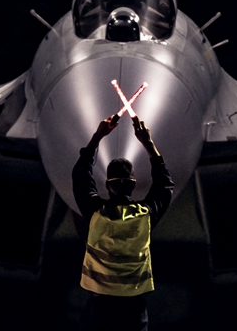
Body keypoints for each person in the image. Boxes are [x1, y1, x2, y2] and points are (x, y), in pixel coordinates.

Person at [72, 114, 174, 331]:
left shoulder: (96, 214)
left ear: (108, 186)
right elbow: (165, 186)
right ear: (133, 184)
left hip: (99, 307)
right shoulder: (144, 215)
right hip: (133, 307)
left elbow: (81, 176)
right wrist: (149, 144)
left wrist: (98, 136)